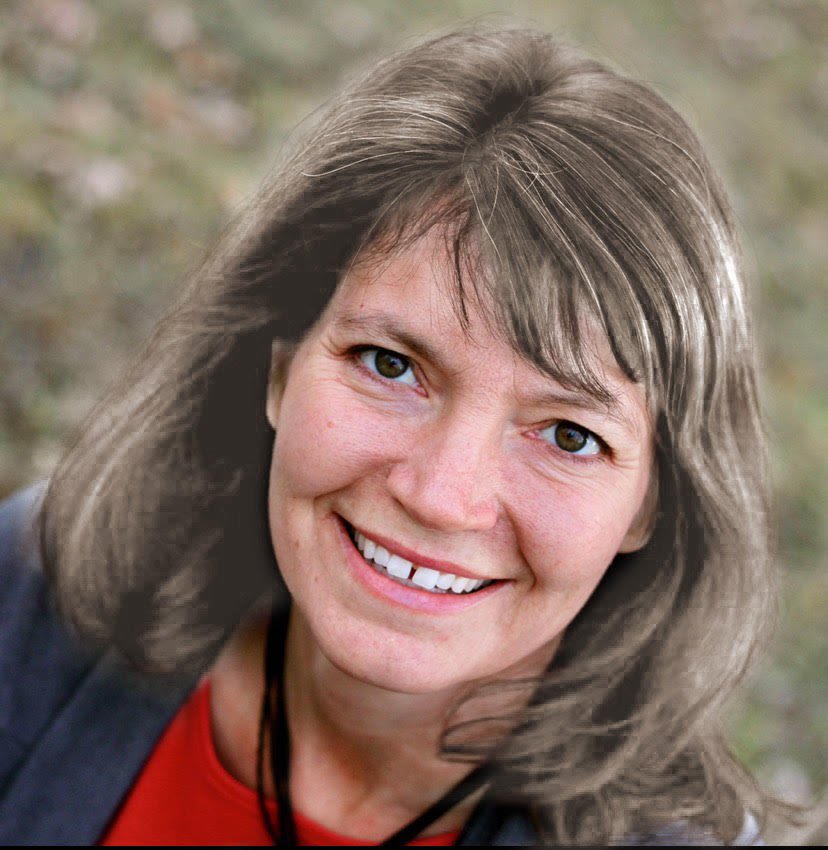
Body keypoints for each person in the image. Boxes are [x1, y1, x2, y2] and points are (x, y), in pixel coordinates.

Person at [0, 23, 798, 846]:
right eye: (389, 364)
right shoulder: (33, 587)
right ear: (277, 361)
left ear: (651, 508)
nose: (441, 497)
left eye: (567, 435)